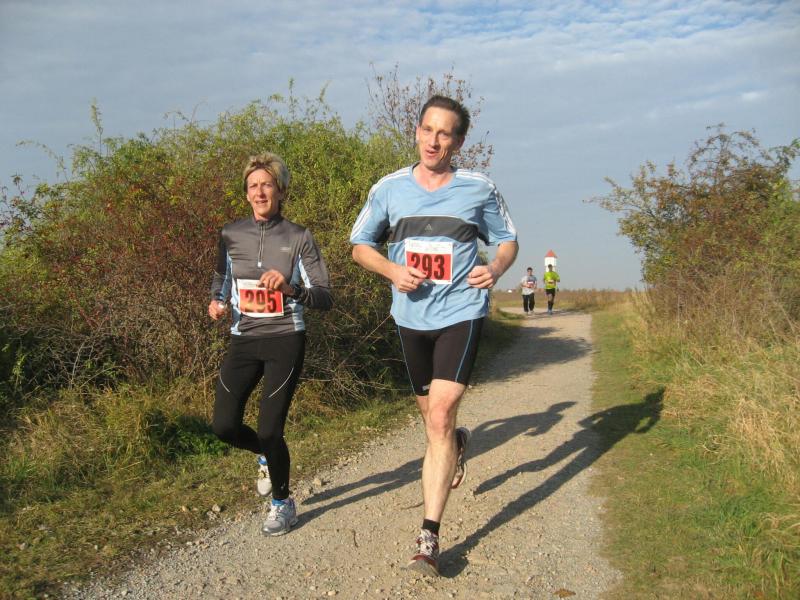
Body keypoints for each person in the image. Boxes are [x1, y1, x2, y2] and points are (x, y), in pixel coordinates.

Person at [350, 95, 518, 575]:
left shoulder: (478, 189)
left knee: (440, 416)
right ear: (417, 132)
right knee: (432, 422)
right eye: (428, 129)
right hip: (410, 318)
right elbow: (359, 245)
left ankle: (429, 537)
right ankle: (456, 446)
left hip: (461, 312)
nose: (433, 140)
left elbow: (506, 240)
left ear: (458, 142)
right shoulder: (389, 189)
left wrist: (495, 268)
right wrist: (392, 271)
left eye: (445, 133)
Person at [208, 152, 332, 536]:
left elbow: (324, 295)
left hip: (284, 339)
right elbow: (222, 278)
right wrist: (216, 301)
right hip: (244, 339)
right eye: (253, 186)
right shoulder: (231, 234)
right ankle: (263, 455)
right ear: (246, 193)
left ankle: (282, 502)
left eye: (266, 185)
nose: (259, 192)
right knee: (223, 426)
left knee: (269, 429)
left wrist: (291, 289)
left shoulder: (298, 237)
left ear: (280, 190)